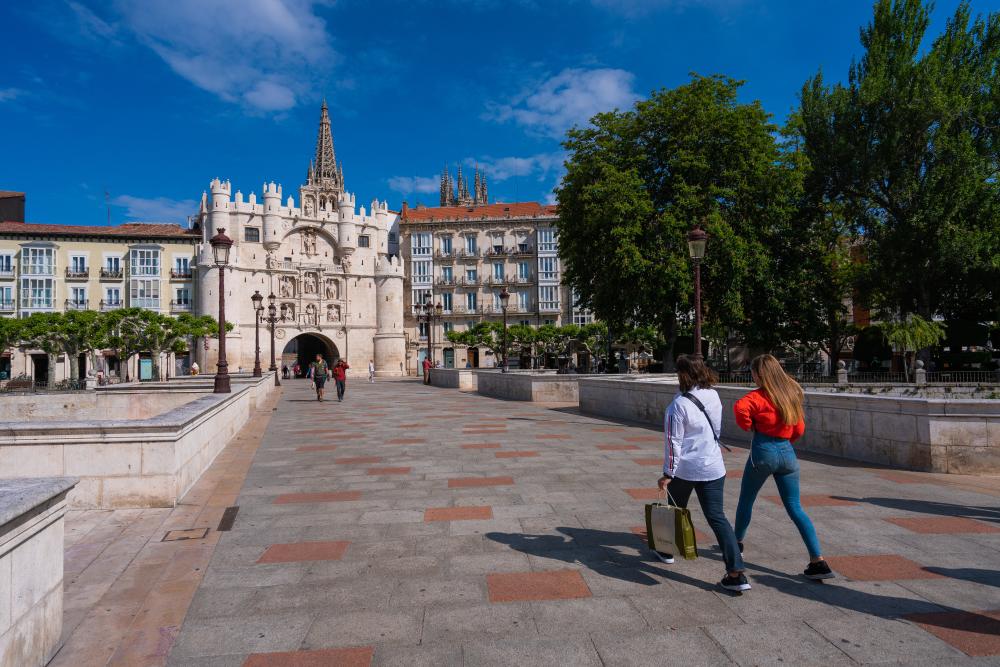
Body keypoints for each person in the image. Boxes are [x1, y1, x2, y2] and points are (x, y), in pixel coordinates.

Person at [733, 354, 834, 581]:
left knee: (746, 500)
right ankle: (818, 560)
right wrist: (786, 441)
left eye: (753, 373)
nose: (752, 376)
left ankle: (736, 543)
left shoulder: (757, 397)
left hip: (763, 450)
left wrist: (749, 425)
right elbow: (799, 428)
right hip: (787, 452)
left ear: (760, 374)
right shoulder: (790, 395)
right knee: (795, 507)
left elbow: (740, 409)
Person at [656, 354, 750, 592]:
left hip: (686, 468)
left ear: (682, 374)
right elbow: (716, 429)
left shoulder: (678, 405)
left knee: (675, 508)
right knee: (717, 517)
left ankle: (667, 549)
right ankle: (736, 572)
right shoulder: (714, 395)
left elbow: (673, 442)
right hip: (713, 465)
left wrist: (668, 472)